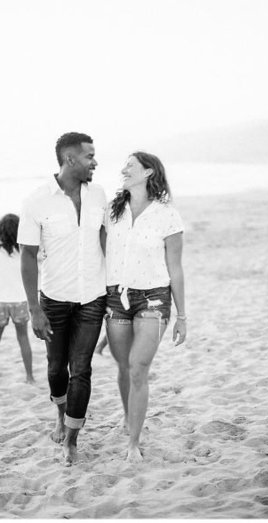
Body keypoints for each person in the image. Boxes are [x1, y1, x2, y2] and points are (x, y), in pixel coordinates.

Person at [18, 132, 107, 465]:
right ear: (70, 159)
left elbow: (106, 240)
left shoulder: (99, 195)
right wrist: (33, 309)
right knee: (57, 369)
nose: (95, 162)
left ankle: (71, 438)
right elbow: (27, 256)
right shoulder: (36, 201)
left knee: (81, 370)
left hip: (93, 299)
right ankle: (60, 414)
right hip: (54, 300)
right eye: (90, 157)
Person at [103, 151, 186, 463]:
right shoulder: (111, 211)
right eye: (124, 164)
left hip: (153, 298)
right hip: (116, 298)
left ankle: (133, 443)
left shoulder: (168, 215)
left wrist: (182, 315)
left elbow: (175, 268)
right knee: (124, 367)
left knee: (138, 367)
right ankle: (129, 417)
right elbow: (98, 254)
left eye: (131, 166)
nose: (123, 169)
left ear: (149, 172)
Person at [0, 213, 35, 390]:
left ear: (0, 231)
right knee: (23, 338)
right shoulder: (25, 250)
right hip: (20, 301)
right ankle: (30, 377)